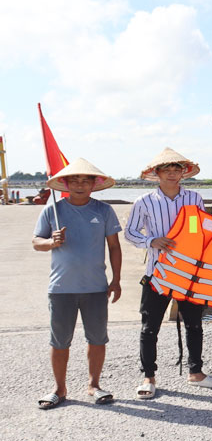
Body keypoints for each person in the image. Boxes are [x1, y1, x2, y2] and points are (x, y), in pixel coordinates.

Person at [125, 148, 212, 399]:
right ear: (156, 173)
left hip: (188, 273)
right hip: (157, 273)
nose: (172, 174)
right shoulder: (144, 202)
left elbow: (200, 230)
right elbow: (130, 233)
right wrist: (152, 241)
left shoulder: (194, 199)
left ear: (183, 173)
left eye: (176, 169)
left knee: (194, 324)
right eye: (166, 169)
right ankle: (148, 376)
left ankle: (196, 373)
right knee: (150, 327)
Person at [33, 159, 122, 409]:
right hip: (61, 288)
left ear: (94, 184)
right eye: (75, 180)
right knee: (59, 341)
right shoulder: (52, 210)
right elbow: (35, 241)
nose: (80, 185)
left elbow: (114, 247)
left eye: (86, 180)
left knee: (97, 339)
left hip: (95, 287)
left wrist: (116, 280)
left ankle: (94, 385)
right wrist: (51, 242)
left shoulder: (104, 211)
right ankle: (59, 389)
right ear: (65, 183)